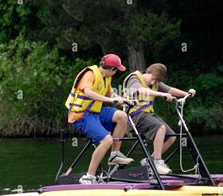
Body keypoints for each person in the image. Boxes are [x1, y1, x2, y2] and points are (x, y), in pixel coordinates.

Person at [65, 53, 135, 184]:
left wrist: (123, 99)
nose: (115, 73)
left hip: (96, 112)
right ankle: (89, 176)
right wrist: (110, 100)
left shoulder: (106, 78)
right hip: (81, 114)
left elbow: (111, 93)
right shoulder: (90, 74)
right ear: (111, 69)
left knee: (122, 116)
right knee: (106, 140)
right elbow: (88, 92)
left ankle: (115, 154)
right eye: (116, 70)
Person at [123, 63, 196, 174]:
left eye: (156, 81)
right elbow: (141, 90)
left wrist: (187, 94)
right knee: (160, 128)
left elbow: (170, 90)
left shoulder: (155, 81)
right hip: (133, 115)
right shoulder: (134, 79)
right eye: (153, 79)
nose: (153, 83)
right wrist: (162, 95)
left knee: (171, 136)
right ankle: (157, 162)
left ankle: (150, 161)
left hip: (148, 114)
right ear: (148, 72)